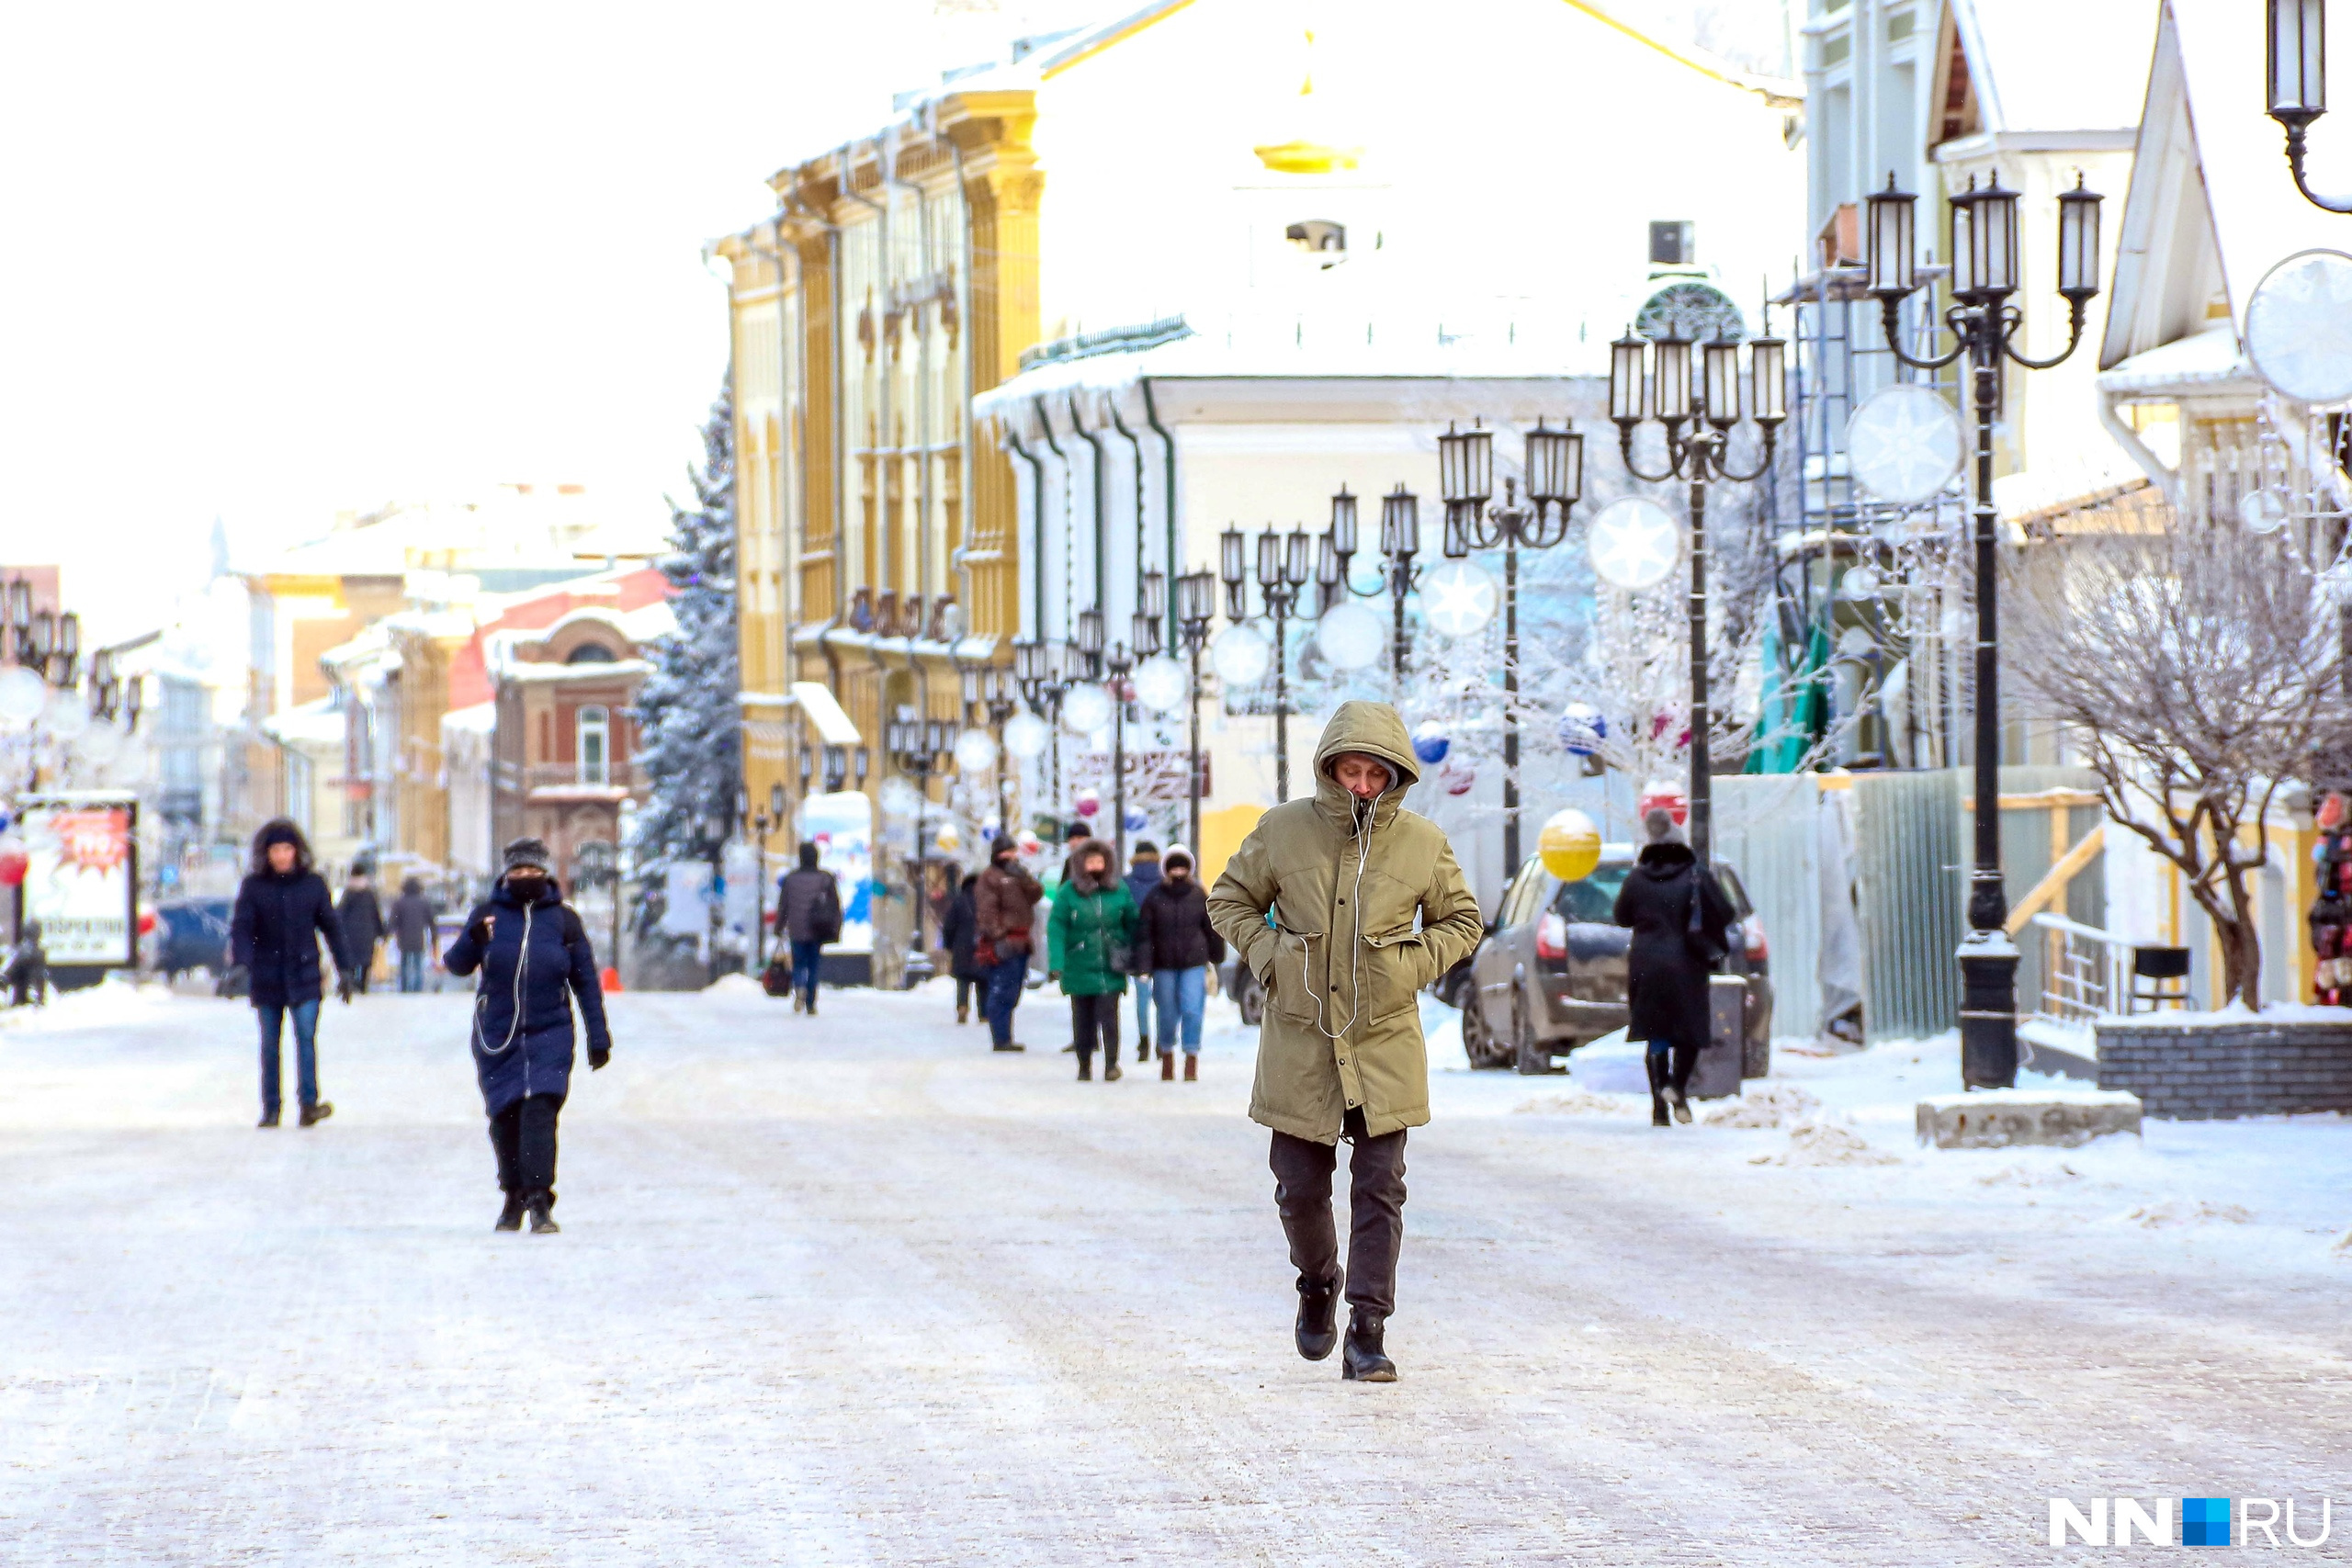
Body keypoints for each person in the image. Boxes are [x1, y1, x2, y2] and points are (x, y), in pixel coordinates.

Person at [1207, 702, 1482, 1382]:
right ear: (1330, 769)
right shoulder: (1282, 830)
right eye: (1349, 770)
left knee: (1380, 1186)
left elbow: (1463, 918)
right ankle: (1317, 1279)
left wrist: (1408, 964)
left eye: (1373, 772)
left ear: (1394, 775)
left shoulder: (1421, 842)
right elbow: (1228, 899)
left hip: (1384, 1038)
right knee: (1299, 1188)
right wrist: (1272, 956)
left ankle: (1368, 1327)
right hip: (1302, 1040)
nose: (1361, 784)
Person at [442, 836, 613, 1234]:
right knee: (505, 1115)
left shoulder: (563, 920)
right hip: (497, 1033)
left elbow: (586, 979)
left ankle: (539, 1200)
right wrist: (476, 938)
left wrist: (598, 1034)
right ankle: (512, 1195)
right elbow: (456, 965)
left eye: (532, 870)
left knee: (539, 1111)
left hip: (550, 1031)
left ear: (545, 872)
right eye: (518, 871)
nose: (525, 877)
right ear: (506, 874)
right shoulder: (487, 915)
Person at [1612, 807, 1736, 1128]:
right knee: (1689, 1032)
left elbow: (1621, 916)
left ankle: (1658, 1110)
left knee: (1657, 1034)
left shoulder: (1637, 878)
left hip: (1646, 963)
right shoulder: (1695, 875)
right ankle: (1676, 1087)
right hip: (1687, 963)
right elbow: (1726, 911)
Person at [230, 819, 356, 1129]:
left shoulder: (312, 884)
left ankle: (308, 1105)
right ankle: (271, 1108)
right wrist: (241, 964)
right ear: (266, 853)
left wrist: (346, 970)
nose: (282, 856)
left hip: (304, 974)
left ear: (297, 851)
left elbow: (332, 928)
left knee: (305, 1038)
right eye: (276, 850)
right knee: (270, 1044)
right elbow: (243, 928)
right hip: (267, 975)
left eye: (287, 849)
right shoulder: (254, 887)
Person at [1049, 839, 1137, 1081]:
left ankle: (1111, 1064)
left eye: (1100, 861)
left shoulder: (1119, 889)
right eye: (1091, 862)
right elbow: (1057, 927)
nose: (1096, 866)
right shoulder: (1068, 892)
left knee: (1110, 1017)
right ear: (1081, 864)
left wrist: (1134, 952)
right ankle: (1084, 1064)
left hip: (1111, 965)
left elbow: (1133, 921)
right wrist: (1056, 963)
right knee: (1083, 1019)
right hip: (1079, 964)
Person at [1136, 847, 1224, 1080]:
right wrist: (1144, 967)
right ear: (1165, 869)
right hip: (1163, 965)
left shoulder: (1199, 895)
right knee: (1166, 1011)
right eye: (1173, 867)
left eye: (1182, 867)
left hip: (1194, 962)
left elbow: (1212, 928)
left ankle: (1191, 1057)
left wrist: (1216, 957)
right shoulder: (1154, 897)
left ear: (1189, 869)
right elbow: (1145, 935)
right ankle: (1166, 1055)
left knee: (1193, 1009)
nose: (1178, 871)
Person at [974, 837, 1041, 1052]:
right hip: (1004, 941)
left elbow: (1036, 894)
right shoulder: (990, 877)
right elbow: (987, 910)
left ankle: (1006, 1035)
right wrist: (998, 933)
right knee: (1002, 988)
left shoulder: (1017, 875)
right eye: (1006, 853)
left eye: (1013, 852)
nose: (1010, 857)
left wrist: (1025, 878)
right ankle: (1001, 1037)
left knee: (1014, 989)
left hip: (1022, 940)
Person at [775, 842, 842, 1016]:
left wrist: (779, 926)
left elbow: (783, 905)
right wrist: (836, 927)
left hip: (796, 928)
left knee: (798, 963)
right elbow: (834, 906)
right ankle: (811, 1003)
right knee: (813, 965)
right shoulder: (826, 878)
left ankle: (799, 988)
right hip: (818, 927)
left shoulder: (790, 879)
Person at [1124, 840, 1163, 1062]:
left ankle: (1144, 1040)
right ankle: (1161, 1042)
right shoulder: (1163, 882)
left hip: (1137, 947)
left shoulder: (1126, 883)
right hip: (1164, 945)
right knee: (1162, 998)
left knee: (1142, 996)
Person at [941, 872, 982, 1024]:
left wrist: (949, 945)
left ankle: (962, 1007)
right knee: (982, 980)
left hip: (962, 946)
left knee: (963, 979)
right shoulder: (986, 901)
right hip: (982, 944)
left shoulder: (959, 901)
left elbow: (949, 926)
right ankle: (984, 1013)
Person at [336, 863, 385, 993]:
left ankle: (351, 983)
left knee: (351, 959)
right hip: (367, 933)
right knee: (365, 961)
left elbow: (340, 913)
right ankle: (363, 985)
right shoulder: (369, 893)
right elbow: (376, 913)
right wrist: (381, 932)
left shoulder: (348, 893)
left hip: (350, 933)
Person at [390, 874, 435, 993]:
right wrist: (435, 937)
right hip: (418, 938)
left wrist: (386, 934)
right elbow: (431, 921)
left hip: (403, 938)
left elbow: (393, 921)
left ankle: (405, 988)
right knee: (418, 965)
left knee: (404, 964)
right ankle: (417, 988)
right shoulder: (424, 903)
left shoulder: (399, 903)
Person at [5, 919, 48, 1008]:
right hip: (23, 997)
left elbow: (6, 973)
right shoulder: (27, 952)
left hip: (25, 997)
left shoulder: (19, 951)